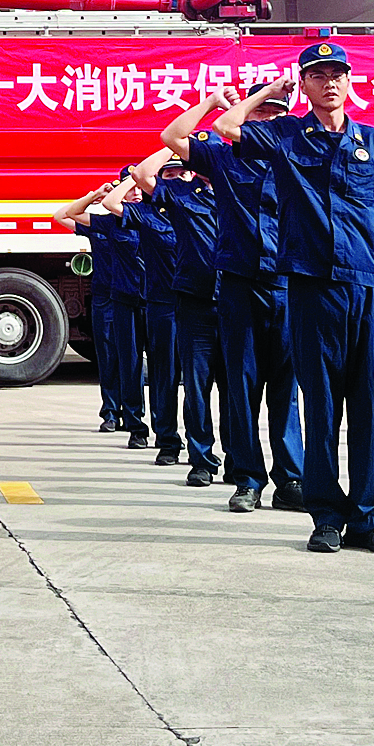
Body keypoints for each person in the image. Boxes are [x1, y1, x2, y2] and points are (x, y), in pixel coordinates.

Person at [201, 44, 374, 554]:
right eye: (318, 75)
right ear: (304, 84)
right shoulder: (287, 136)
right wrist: (268, 95)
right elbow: (228, 129)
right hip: (311, 287)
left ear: (348, 81)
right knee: (320, 407)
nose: (329, 83)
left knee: (366, 406)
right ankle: (326, 516)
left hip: (365, 286)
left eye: (337, 74)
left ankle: (366, 517)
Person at [164, 89, 304, 515]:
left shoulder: (295, 158)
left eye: (274, 115)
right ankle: (246, 479)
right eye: (258, 114)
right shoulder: (223, 159)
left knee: (286, 390)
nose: (265, 121)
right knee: (242, 389)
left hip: (286, 284)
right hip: (240, 287)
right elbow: (173, 135)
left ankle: (290, 479)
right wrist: (215, 104)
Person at [129, 147, 225, 489]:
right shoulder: (183, 197)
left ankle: (239, 459)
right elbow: (142, 175)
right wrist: (174, 150)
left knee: (234, 390)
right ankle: (201, 460)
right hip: (194, 303)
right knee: (197, 387)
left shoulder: (242, 191)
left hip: (235, 303)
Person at [102, 166, 183, 465]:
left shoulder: (180, 209)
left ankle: (182, 438)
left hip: (178, 303)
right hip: (135, 301)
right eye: (169, 176)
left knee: (180, 376)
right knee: (138, 366)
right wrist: (130, 180)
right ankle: (141, 428)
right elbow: (109, 205)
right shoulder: (133, 217)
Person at [54, 179, 142, 439]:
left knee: (133, 359)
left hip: (132, 299)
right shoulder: (102, 225)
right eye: (129, 189)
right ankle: (111, 413)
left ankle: (134, 413)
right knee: (107, 357)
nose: (135, 194)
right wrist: (94, 196)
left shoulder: (144, 221)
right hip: (105, 297)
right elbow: (61, 215)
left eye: (138, 188)